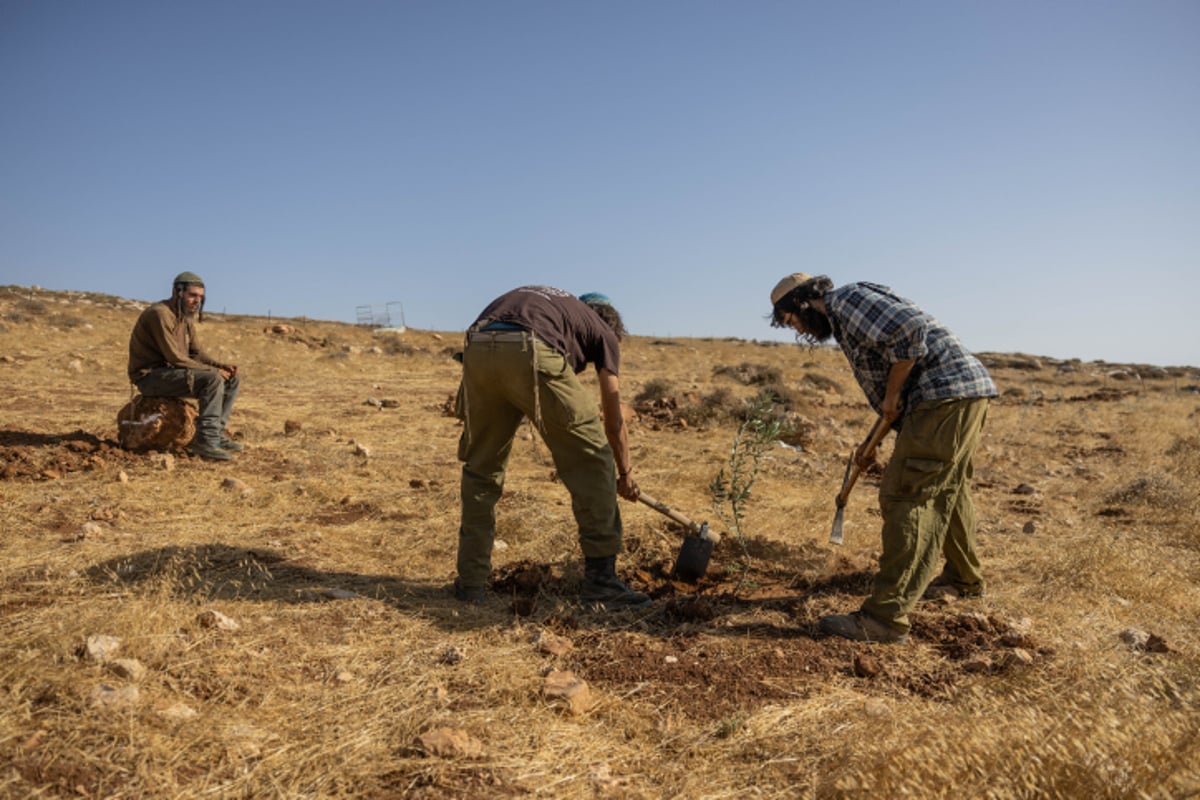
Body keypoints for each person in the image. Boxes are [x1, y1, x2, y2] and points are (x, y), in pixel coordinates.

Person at [769, 273, 997, 643]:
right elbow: (896, 384)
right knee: (948, 492)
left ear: (800, 304)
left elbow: (910, 333)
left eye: (791, 322)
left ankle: (885, 618)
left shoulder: (846, 301)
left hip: (943, 396)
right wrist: (870, 442)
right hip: (956, 396)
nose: (800, 332)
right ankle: (963, 581)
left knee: (907, 496)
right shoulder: (846, 315)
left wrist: (892, 398)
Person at [454, 286, 649, 610]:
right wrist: (624, 473)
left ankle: (470, 583)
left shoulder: (557, 308)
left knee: (481, 471)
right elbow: (613, 421)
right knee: (595, 460)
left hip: (477, 344)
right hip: (530, 347)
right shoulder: (603, 333)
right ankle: (602, 582)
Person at [127, 272, 242, 462]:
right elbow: (174, 357)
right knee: (213, 379)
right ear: (177, 292)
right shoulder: (160, 314)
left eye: (200, 297)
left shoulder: (185, 317)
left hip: (170, 373)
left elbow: (196, 353)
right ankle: (206, 442)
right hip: (150, 377)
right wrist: (214, 371)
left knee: (232, 379)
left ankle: (217, 435)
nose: (197, 301)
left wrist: (222, 366)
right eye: (193, 295)